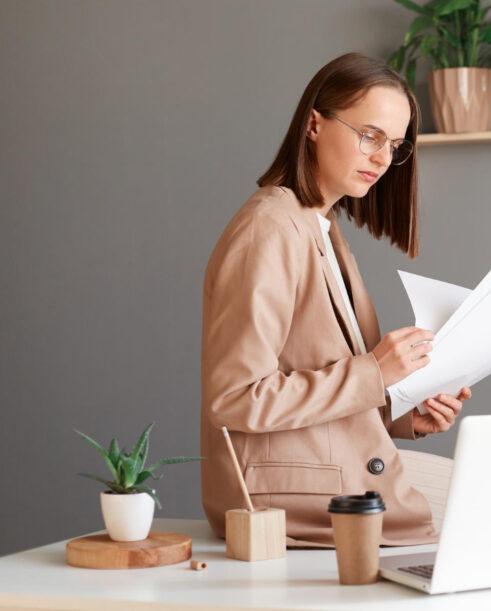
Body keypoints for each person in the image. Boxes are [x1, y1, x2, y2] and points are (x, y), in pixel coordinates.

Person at [199, 52, 470, 547]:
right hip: (287, 502)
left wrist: (403, 411)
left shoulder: (320, 227)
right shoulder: (270, 229)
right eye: (369, 135)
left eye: (394, 145)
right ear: (314, 125)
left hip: (332, 488)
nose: (382, 158)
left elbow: (324, 382)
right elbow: (236, 397)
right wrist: (375, 374)